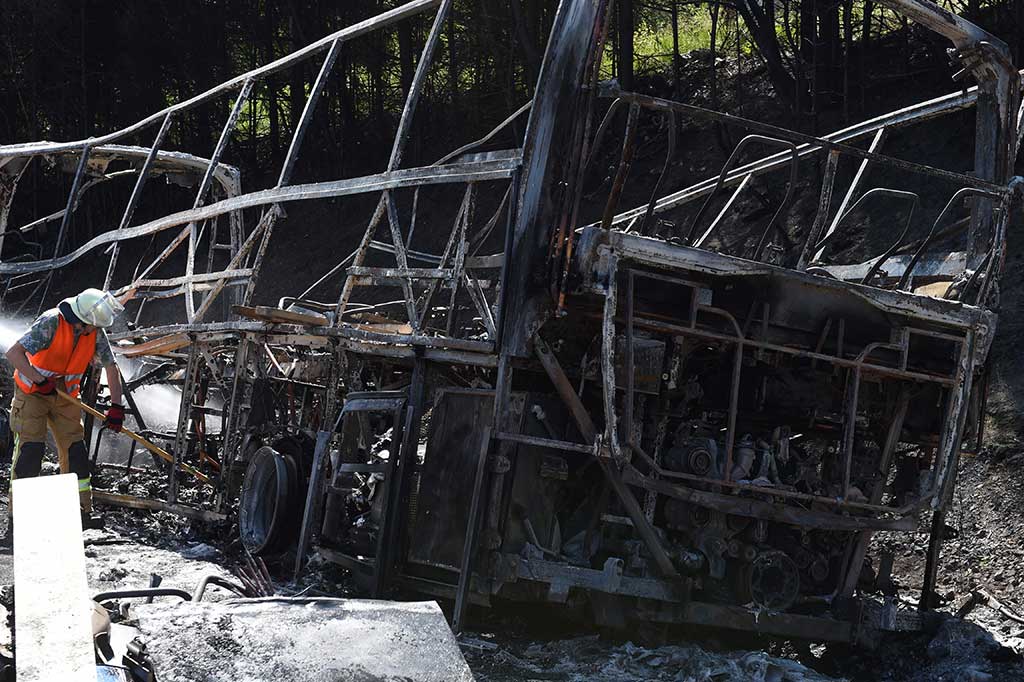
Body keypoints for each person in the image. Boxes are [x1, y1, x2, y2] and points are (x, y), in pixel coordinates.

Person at [5, 288, 126, 529]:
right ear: (82, 321)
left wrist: (116, 407)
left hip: (65, 396)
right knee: (31, 451)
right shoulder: (51, 322)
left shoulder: (94, 332)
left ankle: (80, 512)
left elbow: (112, 368)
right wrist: (39, 380)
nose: (96, 332)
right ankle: (18, 518)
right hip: (32, 392)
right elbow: (14, 354)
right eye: (93, 327)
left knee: (75, 452)